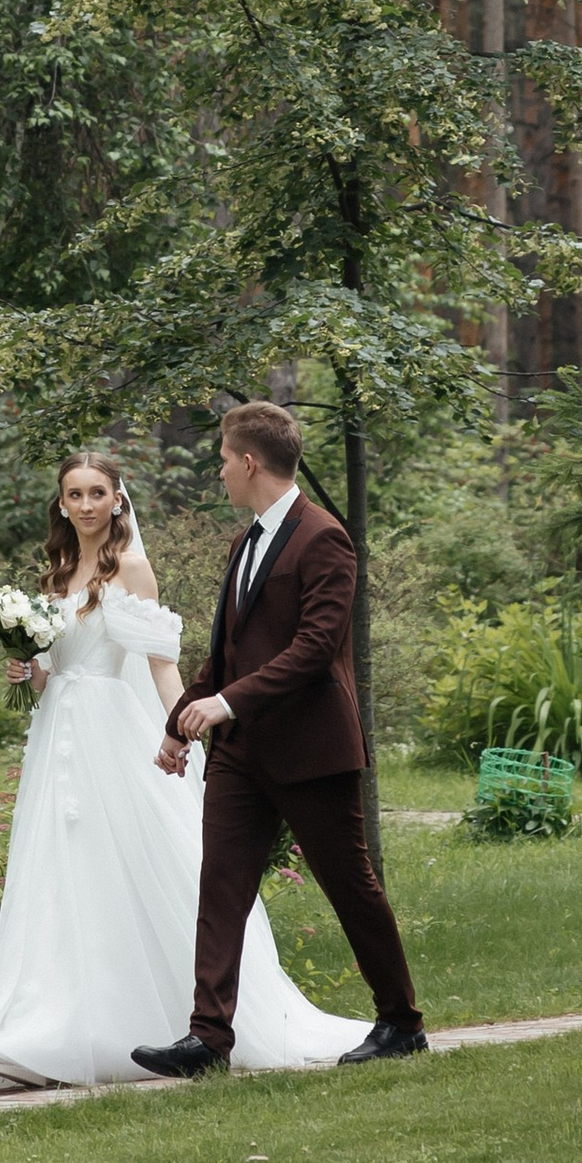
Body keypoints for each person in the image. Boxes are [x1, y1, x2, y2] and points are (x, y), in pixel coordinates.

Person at [0, 448, 365, 1090]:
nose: (86, 505)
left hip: (111, 734)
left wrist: (192, 727)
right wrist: (26, 668)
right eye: (74, 494)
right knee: (61, 869)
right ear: (61, 503)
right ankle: (48, 1021)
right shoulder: (57, 572)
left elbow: (159, 663)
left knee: (130, 863)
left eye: (97, 493)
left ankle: (161, 1019)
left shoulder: (131, 568)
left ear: (118, 499)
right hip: (58, 736)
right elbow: (51, 675)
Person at [131, 398, 428, 1079]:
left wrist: (227, 704)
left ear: (248, 461)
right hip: (241, 756)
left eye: (222, 461)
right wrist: (180, 724)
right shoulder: (246, 542)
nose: (219, 472)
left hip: (311, 752)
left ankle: (402, 1022)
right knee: (221, 888)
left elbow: (316, 648)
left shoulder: (323, 537)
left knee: (350, 886)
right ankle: (208, 1039)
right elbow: (229, 654)